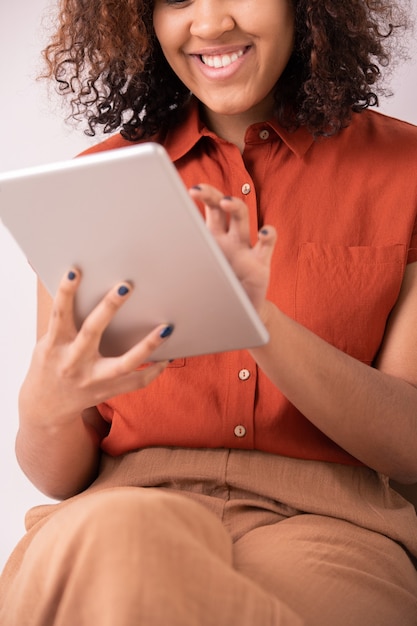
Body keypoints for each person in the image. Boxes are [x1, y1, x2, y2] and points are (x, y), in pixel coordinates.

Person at [1, 0, 417, 624]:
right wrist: (44, 407)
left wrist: (258, 323)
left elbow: (409, 446)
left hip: (330, 528)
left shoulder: (405, 172)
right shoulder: (91, 187)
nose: (210, 23)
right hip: (123, 508)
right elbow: (60, 476)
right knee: (110, 548)